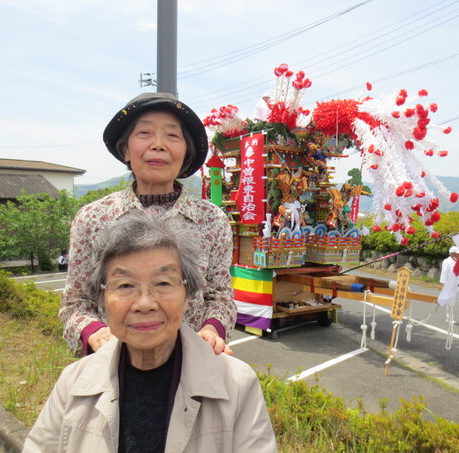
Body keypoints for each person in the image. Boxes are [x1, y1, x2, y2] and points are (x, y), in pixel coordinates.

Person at [23, 214, 277, 452]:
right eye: (124, 285)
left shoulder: (238, 384)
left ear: (188, 295)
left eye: (163, 283)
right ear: (102, 298)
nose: (145, 303)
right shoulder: (73, 382)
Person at [59, 92, 236, 357]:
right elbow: (75, 303)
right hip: (113, 368)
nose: (158, 145)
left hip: (190, 365)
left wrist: (211, 332)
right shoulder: (93, 218)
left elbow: (220, 297)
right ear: (125, 149)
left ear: (186, 151)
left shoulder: (212, 219)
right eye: (144, 133)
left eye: (172, 136)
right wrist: (96, 334)